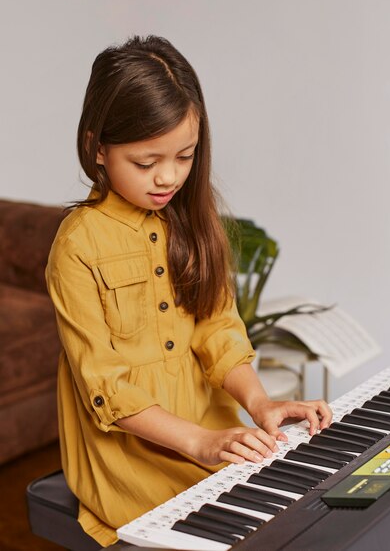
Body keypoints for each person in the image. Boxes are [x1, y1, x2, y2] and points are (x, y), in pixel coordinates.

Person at [46, 35, 332, 547]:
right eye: (146, 161)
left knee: (310, 515)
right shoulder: (77, 244)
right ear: (98, 147)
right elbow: (105, 385)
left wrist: (260, 403)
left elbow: (218, 327)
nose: (169, 176)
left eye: (185, 156)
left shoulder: (193, 222)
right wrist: (198, 443)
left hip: (210, 428)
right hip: (132, 454)